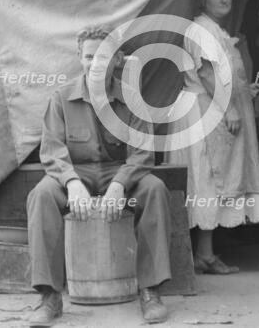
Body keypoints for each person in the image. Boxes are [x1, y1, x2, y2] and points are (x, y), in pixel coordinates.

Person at [26, 25, 172, 326]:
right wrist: (72, 182)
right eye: (89, 57)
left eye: (103, 57)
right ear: (80, 58)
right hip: (75, 173)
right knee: (41, 195)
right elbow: (51, 151)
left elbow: (144, 152)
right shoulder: (61, 98)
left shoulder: (132, 98)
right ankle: (49, 296)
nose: (95, 64)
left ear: (117, 59)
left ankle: (150, 290)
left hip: (119, 173)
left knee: (154, 189)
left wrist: (121, 183)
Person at [167, 0, 259, 274]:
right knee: (209, 178)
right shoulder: (200, 30)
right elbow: (208, 76)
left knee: (216, 176)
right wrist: (230, 108)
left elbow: (222, 77)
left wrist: (242, 92)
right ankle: (204, 255)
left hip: (214, 108)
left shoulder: (216, 30)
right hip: (206, 113)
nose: (224, 0)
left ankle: (205, 253)